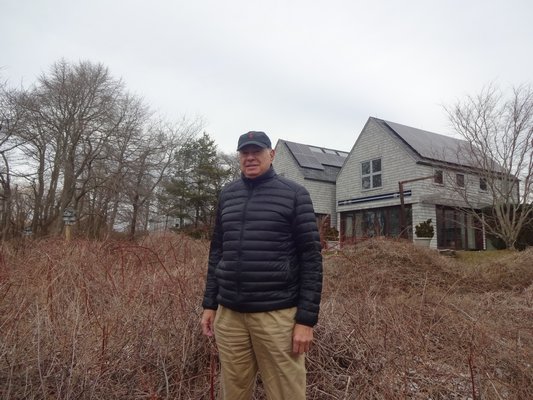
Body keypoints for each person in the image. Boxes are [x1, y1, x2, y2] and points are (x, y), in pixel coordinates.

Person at [201, 131, 323, 400]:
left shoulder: (294, 195)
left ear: (272, 154)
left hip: (277, 316)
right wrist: (210, 304)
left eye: (257, 151)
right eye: (245, 153)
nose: (250, 157)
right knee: (234, 391)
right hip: (230, 315)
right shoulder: (228, 195)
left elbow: (311, 258)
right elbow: (218, 251)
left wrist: (306, 320)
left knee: (286, 393)